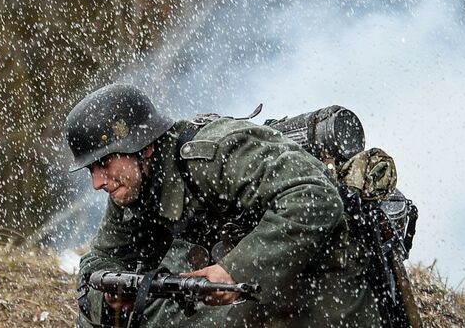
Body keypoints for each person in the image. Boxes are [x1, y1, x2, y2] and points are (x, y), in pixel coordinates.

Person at [65, 83, 379, 327]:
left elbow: (314, 197)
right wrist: (110, 297)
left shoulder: (214, 155)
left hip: (323, 279)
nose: (97, 182)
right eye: (92, 169)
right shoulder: (134, 184)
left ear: (143, 148)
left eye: (104, 163)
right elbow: (103, 258)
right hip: (254, 293)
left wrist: (234, 270)